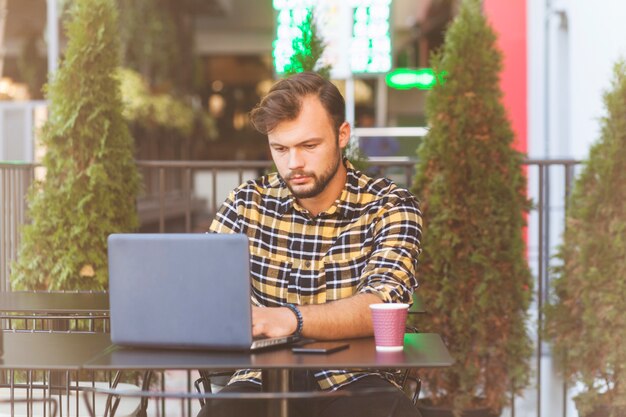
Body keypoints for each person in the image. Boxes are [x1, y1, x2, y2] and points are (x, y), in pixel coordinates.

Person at [199, 72, 423, 417]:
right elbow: (205, 293)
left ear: (342, 135)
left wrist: (290, 318)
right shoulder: (247, 203)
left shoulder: (389, 206)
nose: (294, 164)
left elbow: (383, 302)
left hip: (357, 378)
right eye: (280, 149)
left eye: (309, 146)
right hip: (261, 377)